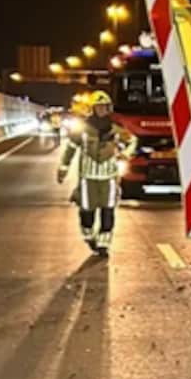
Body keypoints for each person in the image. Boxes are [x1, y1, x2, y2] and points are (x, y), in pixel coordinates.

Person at [57, 91, 137, 257]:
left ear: (109, 108)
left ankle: (103, 244)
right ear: (92, 109)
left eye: (104, 107)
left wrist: (126, 153)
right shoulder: (82, 130)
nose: (101, 110)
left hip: (109, 178)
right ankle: (89, 236)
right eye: (98, 107)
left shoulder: (116, 130)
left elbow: (132, 140)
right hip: (88, 177)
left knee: (108, 210)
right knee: (87, 211)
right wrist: (63, 168)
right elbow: (70, 149)